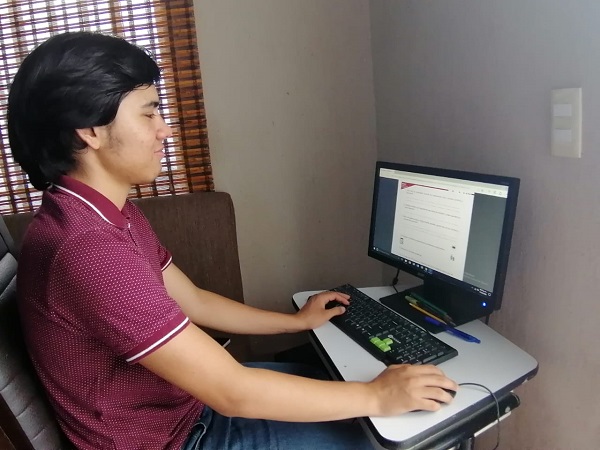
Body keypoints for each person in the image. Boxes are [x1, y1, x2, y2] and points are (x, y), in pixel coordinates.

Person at [7, 31, 457, 450]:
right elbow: (233, 392)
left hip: (184, 407)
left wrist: (295, 322)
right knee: (384, 434)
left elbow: (194, 301)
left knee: (345, 390)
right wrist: (377, 397)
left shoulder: (105, 214)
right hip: (177, 438)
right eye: (148, 113)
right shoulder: (87, 249)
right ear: (90, 130)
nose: (165, 129)